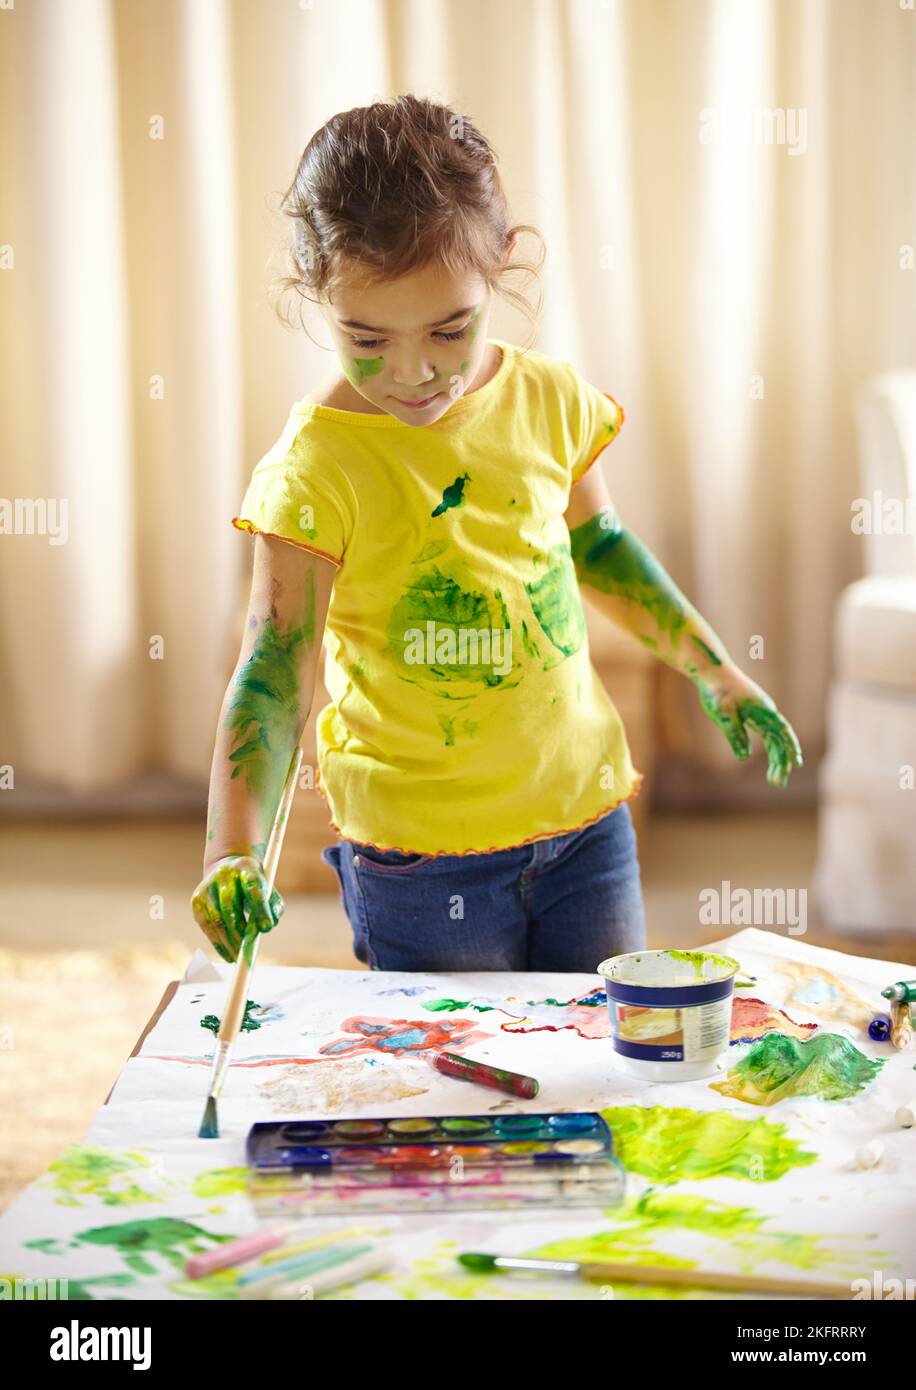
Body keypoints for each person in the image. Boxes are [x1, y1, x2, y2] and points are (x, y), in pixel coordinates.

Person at [191, 94, 801, 973]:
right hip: (418, 858)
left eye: (449, 329)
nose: (412, 373)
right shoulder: (316, 466)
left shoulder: (549, 400)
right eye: (365, 338)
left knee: (596, 1057)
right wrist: (231, 852)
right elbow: (275, 667)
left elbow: (601, 546)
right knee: (460, 1082)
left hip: (585, 824)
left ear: (503, 266)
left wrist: (715, 667)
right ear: (314, 288)